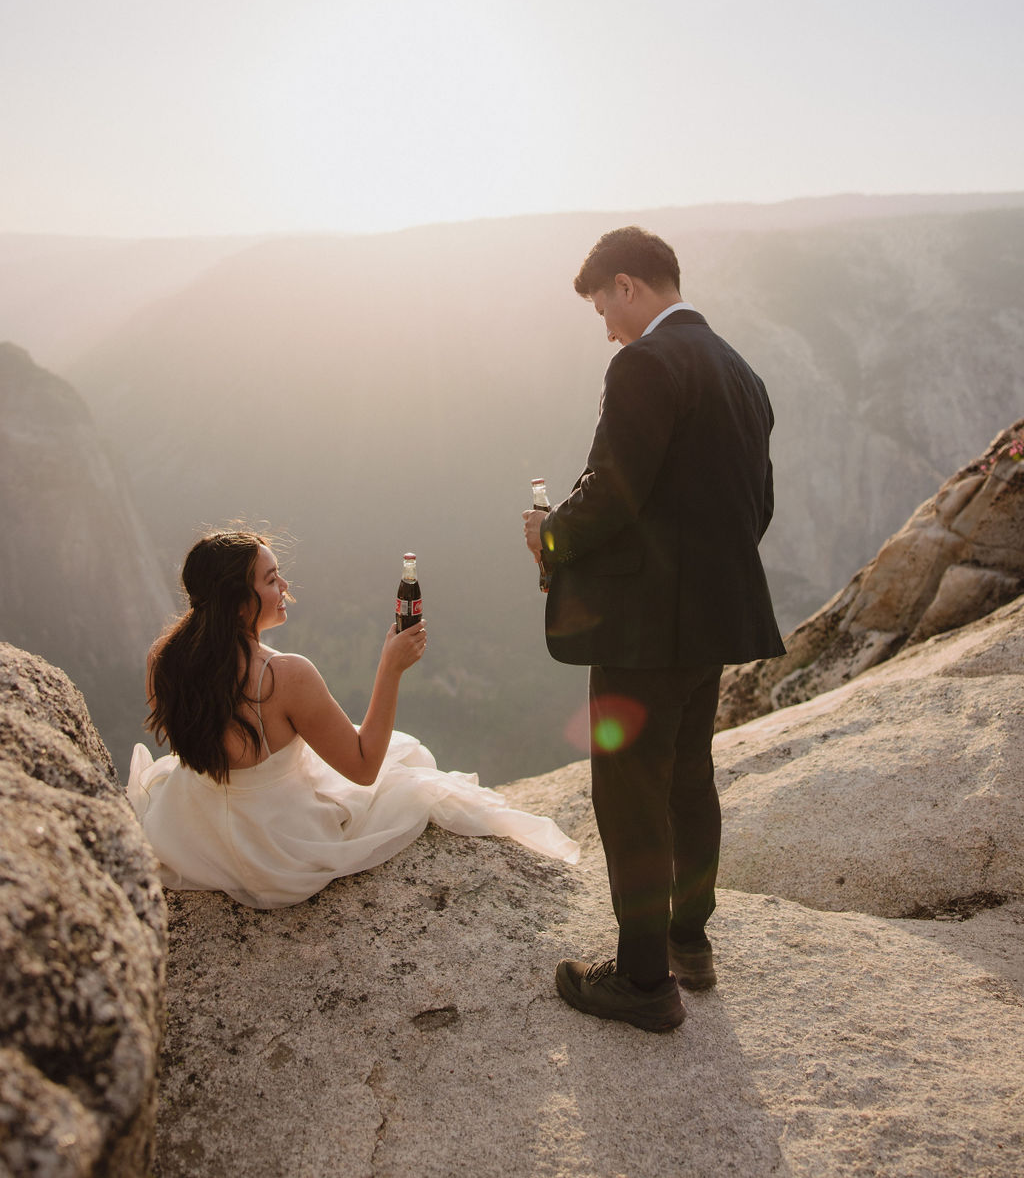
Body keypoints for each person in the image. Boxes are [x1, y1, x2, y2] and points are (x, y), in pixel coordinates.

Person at [523, 227, 782, 1032]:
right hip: (713, 618)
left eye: (604, 304)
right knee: (688, 777)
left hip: (643, 627)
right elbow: (756, 503)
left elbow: (612, 492)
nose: (605, 325)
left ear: (628, 284)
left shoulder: (643, 363)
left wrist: (551, 535)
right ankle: (688, 942)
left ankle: (641, 981)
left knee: (629, 791)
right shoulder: (741, 371)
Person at [129, 530, 578, 907]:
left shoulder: (162, 660)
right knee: (407, 759)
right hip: (279, 855)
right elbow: (364, 767)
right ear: (238, 604)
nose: (284, 585)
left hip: (191, 836)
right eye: (270, 579)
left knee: (403, 754)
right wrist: (391, 668)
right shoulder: (285, 675)